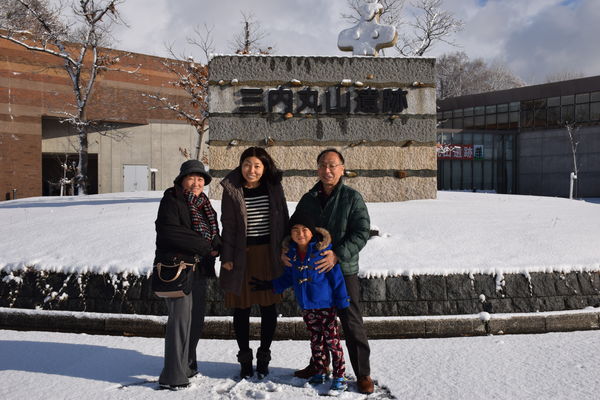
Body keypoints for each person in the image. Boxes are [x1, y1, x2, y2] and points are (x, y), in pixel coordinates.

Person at [287, 148, 374, 394]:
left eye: (333, 165)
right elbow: (293, 227)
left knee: (351, 321)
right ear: (317, 169)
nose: (328, 170)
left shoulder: (351, 198)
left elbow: (361, 232)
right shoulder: (309, 198)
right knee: (316, 323)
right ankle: (319, 365)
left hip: (342, 270)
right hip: (313, 273)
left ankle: (363, 373)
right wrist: (286, 247)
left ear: (342, 169)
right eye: (323, 165)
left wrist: (337, 254)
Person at [251, 211, 350, 392]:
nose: (300, 233)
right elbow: (289, 277)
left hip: (326, 306)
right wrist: (270, 285)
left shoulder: (322, 252)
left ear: (313, 232)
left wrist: (342, 302)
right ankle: (320, 371)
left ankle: (340, 376)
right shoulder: (293, 255)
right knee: (315, 340)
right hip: (307, 307)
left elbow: (337, 279)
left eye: (305, 229)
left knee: (332, 342)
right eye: (296, 230)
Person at [219, 147, 289, 379]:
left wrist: (285, 249)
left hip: (269, 255)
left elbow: (284, 219)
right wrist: (227, 256)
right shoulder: (232, 189)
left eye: (257, 165)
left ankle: (264, 355)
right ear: (241, 165)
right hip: (241, 256)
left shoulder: (274, 187)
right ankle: (244, 357)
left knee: (269, 308)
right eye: (247, 164)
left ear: (265, 167)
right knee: (242, 308)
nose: (252, 170)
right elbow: (227, 225)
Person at [154, 159, 221, 390]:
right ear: (182, 179)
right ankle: (173, 376)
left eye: (200, 179)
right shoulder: (172, 199)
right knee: (180, 322)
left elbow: (214, 234)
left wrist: (219, 246)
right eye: (192, 178)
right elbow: (170, 232)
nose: (196, 183)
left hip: (200, 269)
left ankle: (188, 364)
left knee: (196, 321)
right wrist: (205, 246)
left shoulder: (205, 205)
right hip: (178, 269)